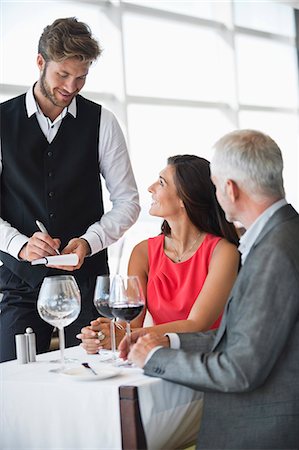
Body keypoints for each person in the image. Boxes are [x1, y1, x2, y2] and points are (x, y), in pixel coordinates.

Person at [119, 130, 299, 450]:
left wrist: (156, 357)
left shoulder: (274, 252)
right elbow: (239, 338)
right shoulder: (282, 236)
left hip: (261, 434)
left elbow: (238, 370)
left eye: (215, 185)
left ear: (229, 189)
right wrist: (169, 339)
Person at [0, 17, 140, 362]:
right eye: (62, 75)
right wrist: (20, 246)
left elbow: (128, 202)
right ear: (40, 62)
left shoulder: (102, 122)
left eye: (81, 78)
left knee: (94, 374)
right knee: (12, 380)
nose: (71, 87)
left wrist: (89, 242)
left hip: (88, 283)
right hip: (21, 285)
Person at [77, 155, 240, 353]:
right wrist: (103, 334)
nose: (151, 188)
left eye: (161, 183)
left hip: (208, 360)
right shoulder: (143, 252)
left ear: (184, 198)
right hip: (157, 357)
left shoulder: (223, 252)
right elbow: (130, 324)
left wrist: (129, 336)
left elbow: (197, 324)